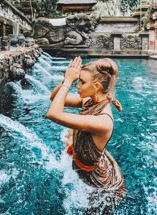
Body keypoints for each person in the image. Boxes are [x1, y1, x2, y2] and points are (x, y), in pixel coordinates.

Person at [47, 57, 125, 214]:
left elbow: (53, 113)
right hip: (86, 166)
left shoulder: (103, 121)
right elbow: (55, 99)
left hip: (103, 188)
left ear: (96, 87)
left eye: (81, 82)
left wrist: (68, 82)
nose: (77, 85)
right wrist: (66, 79)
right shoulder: (90, 100)